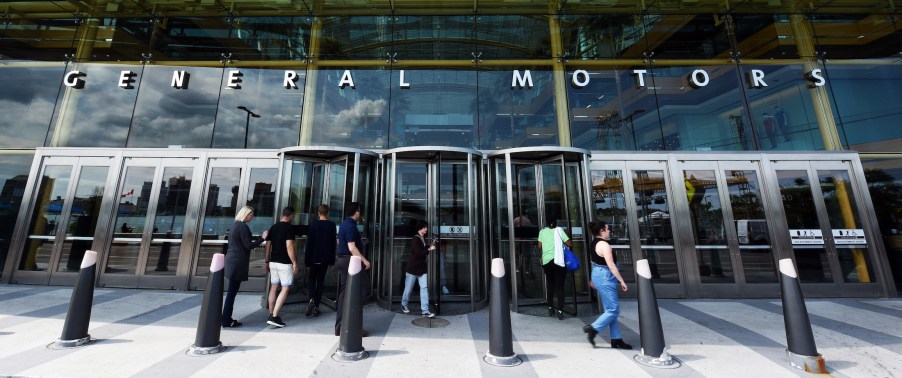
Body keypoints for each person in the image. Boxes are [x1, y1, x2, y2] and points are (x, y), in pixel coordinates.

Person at [583, 221, 632, 350]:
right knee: (613, 310)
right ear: (601, 231)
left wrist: (593, 278)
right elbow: (611, 265)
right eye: (607, 229)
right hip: (606, 276)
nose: (609, 231)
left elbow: (594, 261)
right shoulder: (604, 245)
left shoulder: (594, 243)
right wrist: (622, 281)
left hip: (598, 274)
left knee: (610, 310)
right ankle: (593, 328)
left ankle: (616, 339)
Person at [221, 206, 267, 328]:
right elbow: (248, 246)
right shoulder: (242, 226)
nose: (252, 217)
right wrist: (262, 238)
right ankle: (226, 320)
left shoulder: (235, 225)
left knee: (231, 292)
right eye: (251, 214)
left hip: (232, 261)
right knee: (232, 293)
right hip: (237, 262)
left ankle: (225, 318)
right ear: (245, 214)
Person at [335, 202, 371, 337]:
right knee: (363, 290)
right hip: (351, 261)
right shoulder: (350, 226)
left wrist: (359, 240)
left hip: (344, 260)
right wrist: (364, 260)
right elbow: (351, 247)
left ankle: (340, 326)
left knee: (344, 294)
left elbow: (341, 242)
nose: (360, 214)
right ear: (357, 211)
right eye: (360, 211)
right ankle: (352, 324)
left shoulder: (344, 224)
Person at [264, 207, 298, 328]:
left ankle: (271, 313)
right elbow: (289, 246)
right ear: (291, 215)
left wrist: (267, 261)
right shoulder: (289, 228)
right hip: (284, 263)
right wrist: (294, 262)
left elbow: (268, 245)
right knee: (285, 288)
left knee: (274, 287)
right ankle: (275, 316)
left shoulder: (274, 227)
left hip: (273, 262)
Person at [536, 218, 571, 320]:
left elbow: (539, 246)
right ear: (556, 224)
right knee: (560, 286)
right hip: (558, 261)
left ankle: (550, 307)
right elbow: (569, 244)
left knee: (550, 285)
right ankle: (560, 310)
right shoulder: (560, 231)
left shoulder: (542, 231)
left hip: (547, 262)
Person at [305, 204, 336, 317]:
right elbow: (333, 244)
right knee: (321, 281)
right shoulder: (331, 225)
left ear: (318, 213)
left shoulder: (313, 225)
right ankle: (316, 306)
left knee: (312, 280)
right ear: (327, 213)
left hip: (313, 258)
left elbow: (309, 244)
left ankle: (311, 300)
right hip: (325, 258)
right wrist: (332, 260)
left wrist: (307, 261)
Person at [401, 220, 436, 318]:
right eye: (425, 227)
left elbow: (423, 250)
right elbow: (419, 252)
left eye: (426, 227)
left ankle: (425, 310)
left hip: (421, 268)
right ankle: (404, 304)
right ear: (421, 228)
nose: (426, 229)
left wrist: (429, 246)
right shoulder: (415, 239)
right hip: (413, 268)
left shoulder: (422, 237)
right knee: (408, 289)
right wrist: (429, 249)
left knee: (424, 288)